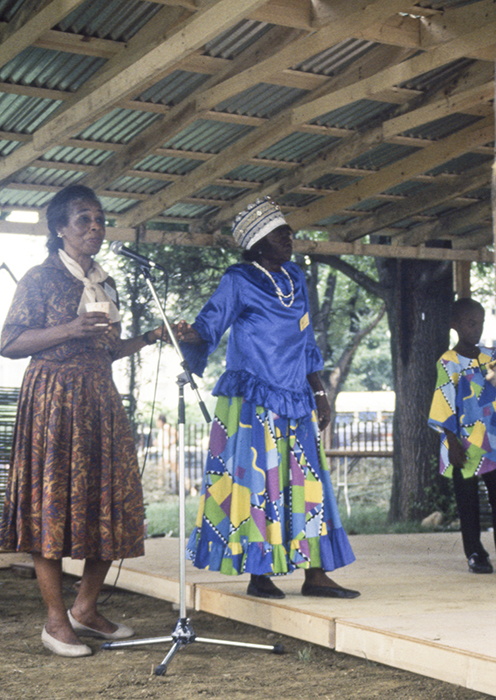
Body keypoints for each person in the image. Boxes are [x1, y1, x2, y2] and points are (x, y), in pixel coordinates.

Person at [0, 185, 165, 657]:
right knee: (49, 503)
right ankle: (55, 622)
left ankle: (85, 609)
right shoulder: (40, 277)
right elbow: (9, 342)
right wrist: (69, 329)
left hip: (98, 399)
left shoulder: (105, 282)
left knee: (112, 501)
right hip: (53, 399)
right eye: (83, 221)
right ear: (60, 229)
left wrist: (150, 337)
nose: (95, 228)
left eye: (100, 220)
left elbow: (108, 350)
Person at [173, 197, 359, 599]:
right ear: (259, 243)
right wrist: (189, 335)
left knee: (307, 485)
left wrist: (320, 393)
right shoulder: (238, 279)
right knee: (263, 486)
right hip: (256, 400)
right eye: (280, 233)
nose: (289, 237)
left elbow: (307, 339)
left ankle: (315, 574)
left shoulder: (295, 277)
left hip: (296, 398)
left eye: (288, 231)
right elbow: (210, 325)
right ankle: (259, 574)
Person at [428, 297, 496, 574]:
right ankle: (475, 553)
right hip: (463, 444)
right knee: (467, 501)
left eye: (479, 323)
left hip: (491, 440)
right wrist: (452, 443)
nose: (476, 329)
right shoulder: (449, 361)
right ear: (455, 325)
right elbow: (443, 403)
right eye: (470, 323)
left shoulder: (490, 357)